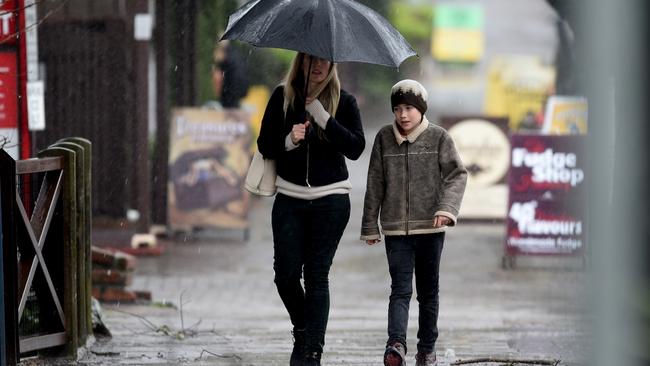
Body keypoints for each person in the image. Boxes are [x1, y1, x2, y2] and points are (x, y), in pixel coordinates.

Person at [256, 52, 365, 366]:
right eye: (310, 60)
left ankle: (312, 351)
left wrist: (324, 118)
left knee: (316, 276)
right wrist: (289, 139)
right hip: (289, 198)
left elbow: (356, 147)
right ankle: (303, 329)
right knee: (285, 276)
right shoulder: (283, 97)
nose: (317, 66)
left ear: (332, 66)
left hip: (331, 199)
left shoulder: (344, 101)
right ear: (300, 62)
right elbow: (265, 144)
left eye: (324, 61)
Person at [360, 79, 467, 366]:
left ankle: (426, 348)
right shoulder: (384, 138)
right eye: (397, 109)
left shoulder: (439, 137)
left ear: (420, 109)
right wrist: (370, 225)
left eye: (409, 108)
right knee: (400, 289)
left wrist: (447, 208)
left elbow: (457, 174)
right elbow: (375, 182)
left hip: (431, 229)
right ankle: (395, 345)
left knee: (428, 291)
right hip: (396, 230)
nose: (403, 115)